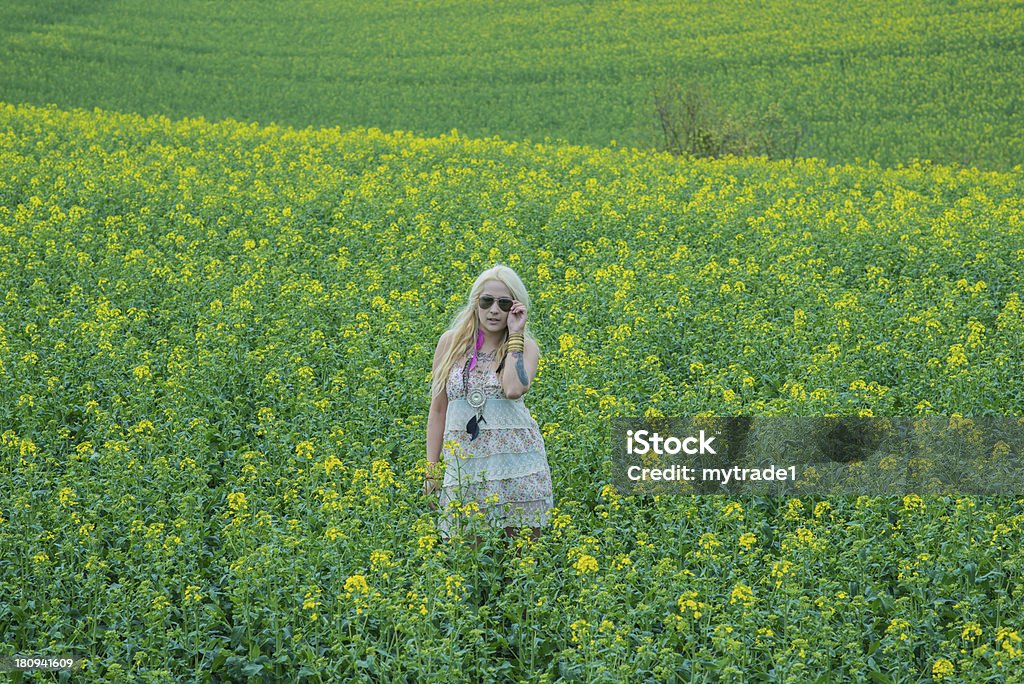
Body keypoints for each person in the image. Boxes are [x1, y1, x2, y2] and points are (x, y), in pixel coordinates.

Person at [423, 264, 554, 547]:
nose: (494, 310)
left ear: (515, 308)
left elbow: (513, 388)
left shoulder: (525, 348)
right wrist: (432, 469)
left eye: (504, 303)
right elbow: (438, 410)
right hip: (465, 467)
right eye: (487, 301)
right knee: (464, 558)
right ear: (476, 304)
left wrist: (516, 334)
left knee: (522, 565)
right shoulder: (450, 344)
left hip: (518, 465)